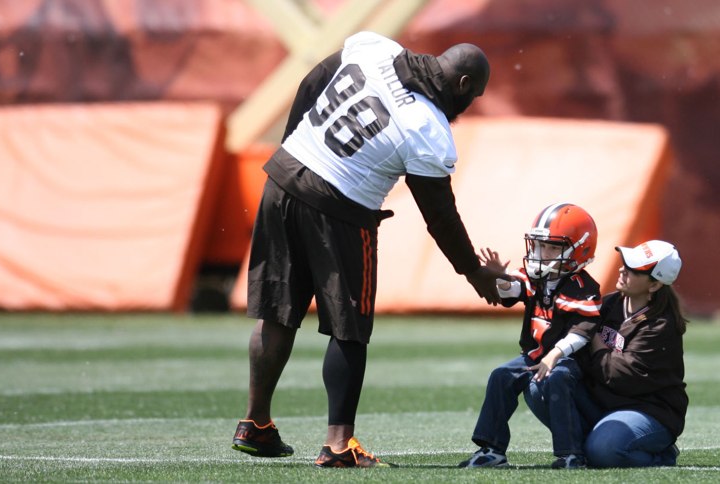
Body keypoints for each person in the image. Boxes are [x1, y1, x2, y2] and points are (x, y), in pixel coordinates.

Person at [230, 31, 509, 468]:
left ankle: (255, 422)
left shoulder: (375, 48)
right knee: (349, 326)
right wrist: (474, 272)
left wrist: (294, 143)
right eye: (473, 97)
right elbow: (439, 215)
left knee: (277, 312)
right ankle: (339, 444)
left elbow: (314, 78)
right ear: (463, 86)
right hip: (338, 206)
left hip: (283, 178)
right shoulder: (427, 129)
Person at [460, 202, 601, 470]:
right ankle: (493, 449)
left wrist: (555, 355)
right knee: (501, 376)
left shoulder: (582, 286)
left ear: (578, 250)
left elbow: (583, 330)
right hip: (535, 355)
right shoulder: (536, 276)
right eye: (540, 245)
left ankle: (571, 454)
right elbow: (512, 292)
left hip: (569, 361)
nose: (542, 253)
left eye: (552, 247)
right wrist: (499, 278)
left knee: (559, 378)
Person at [526, 240, 688, 467]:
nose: (622, 269)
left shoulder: (660, 325)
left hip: (646, 409)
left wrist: (593, 338)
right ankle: (579, 451)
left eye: (633, 269)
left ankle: (662, 454)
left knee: (604, 451)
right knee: (538, 385)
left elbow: (620, 375)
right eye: (624, 263)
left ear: (654, 285)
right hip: (603, 400)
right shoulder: (609, 303)